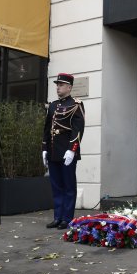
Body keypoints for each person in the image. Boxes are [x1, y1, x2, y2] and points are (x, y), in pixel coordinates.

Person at [42, 73, 85, 230]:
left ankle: (67, 218)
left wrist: (72, 150)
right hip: (53, 151)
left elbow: (78, 130)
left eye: (61, 85)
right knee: (56, 186)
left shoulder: (76, 104)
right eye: (57, 85)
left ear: (69, 87)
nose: (58, 87)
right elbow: (47, 128)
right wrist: (44, 149)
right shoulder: (53, 105)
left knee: (68, 186)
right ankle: (57, 217)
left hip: (67, 152)